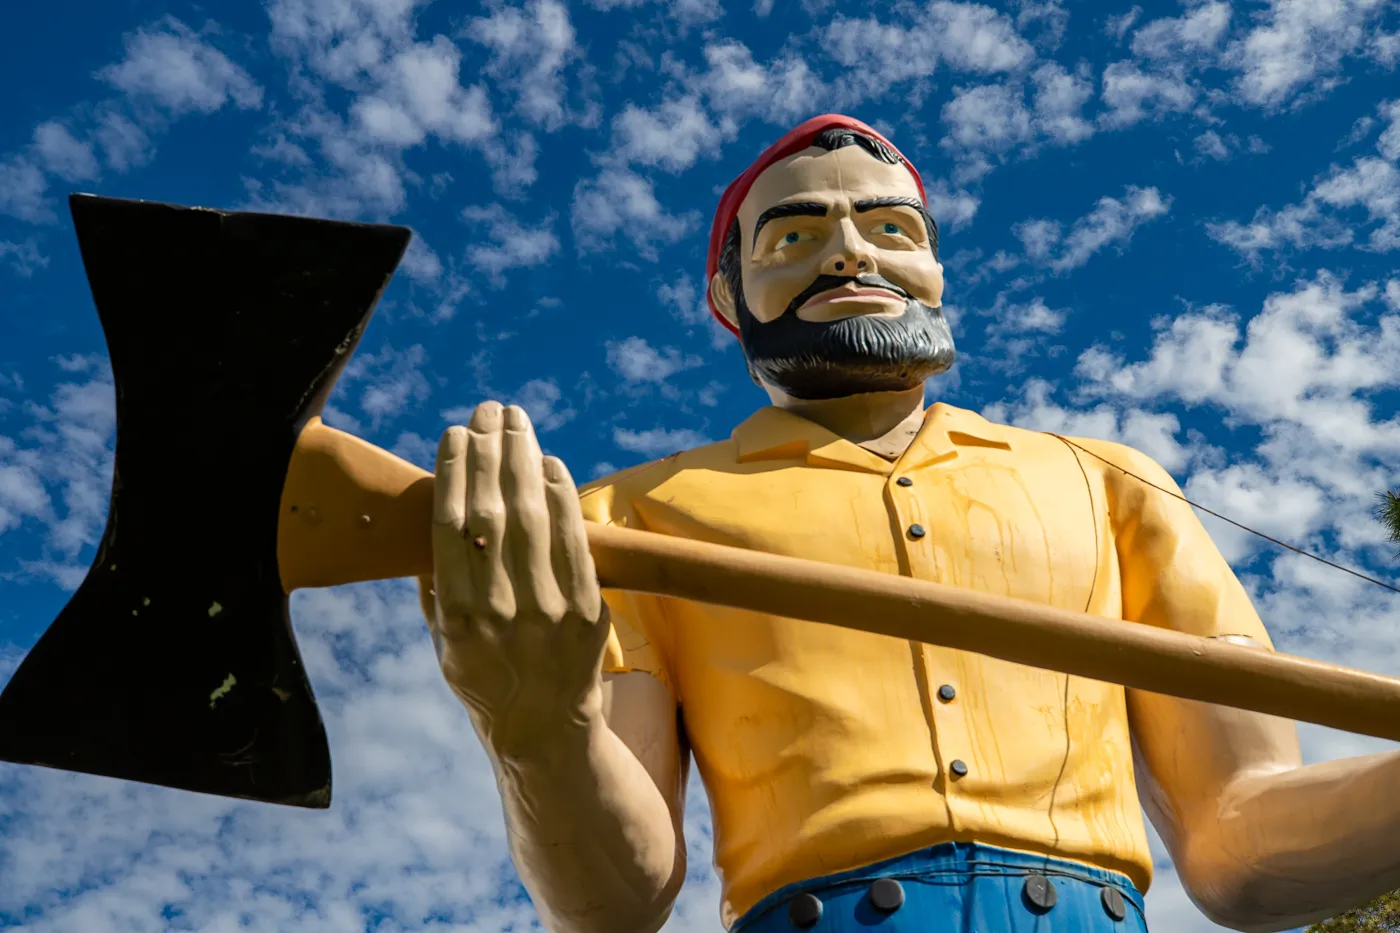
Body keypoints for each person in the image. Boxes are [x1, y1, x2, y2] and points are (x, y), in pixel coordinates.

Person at [420, 115, 1400, 933]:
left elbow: (1238, 841)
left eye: (889, 228)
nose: (849, 249)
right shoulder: (628, 519)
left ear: (931, 267)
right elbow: (615, 899)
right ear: (727, 297)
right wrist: (538, 728)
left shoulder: (1107, 484)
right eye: (793, 237)